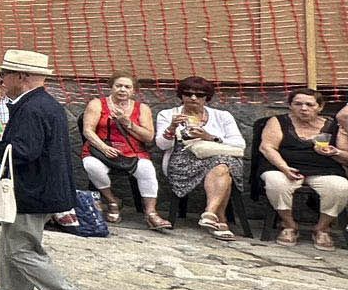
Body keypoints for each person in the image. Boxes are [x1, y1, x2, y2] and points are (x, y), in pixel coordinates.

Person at [0, 49, 110, 290]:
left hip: (32, 189)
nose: (2, 80)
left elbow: (24, 152)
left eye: (6, 75)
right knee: (9, 246)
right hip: (38, 187)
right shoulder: (41, 104)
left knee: (22, 250)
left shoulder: (31, 108)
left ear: (21, 77)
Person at [155, 78, 245, 240]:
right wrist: (171, 127)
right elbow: (162, 145)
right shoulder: (168, 114)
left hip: (218, 157)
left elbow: (240, 143)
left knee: (222, 164)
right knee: (224, 166)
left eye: (199, 95)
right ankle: (219, 218)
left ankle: (210, 213)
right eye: (188, 94)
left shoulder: (222, 116)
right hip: (182, 160)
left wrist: (209, 137)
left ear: (207, 97)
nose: (193, 98)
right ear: (181, 96)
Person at [257, 88, 348, 247]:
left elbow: (345, 155)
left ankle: (322, 228)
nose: (303, 108)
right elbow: (267, 147)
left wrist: (335, 152)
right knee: (276, 182)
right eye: (297, 104)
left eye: (309, 104)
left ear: (320, 107)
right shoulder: (278, 121)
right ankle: (289, 225)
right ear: (290, 106)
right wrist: (284, 167)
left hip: (323, 170)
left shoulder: (334, 125)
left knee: (340, 186)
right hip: (283, 168)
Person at [81, 74, 170, 229]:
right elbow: (88, 130)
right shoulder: (97, 104)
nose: (122, 89)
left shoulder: (142, 108)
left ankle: (151, 213)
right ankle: (112, 201)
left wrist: (127, 123)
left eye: (127, 87)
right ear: (111, 87)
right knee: (91, 165)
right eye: (118, 86)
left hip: (133, 151)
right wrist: (104, 147)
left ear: (134, 91)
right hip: (101, 149)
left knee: (147, 169)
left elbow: (148, 137)